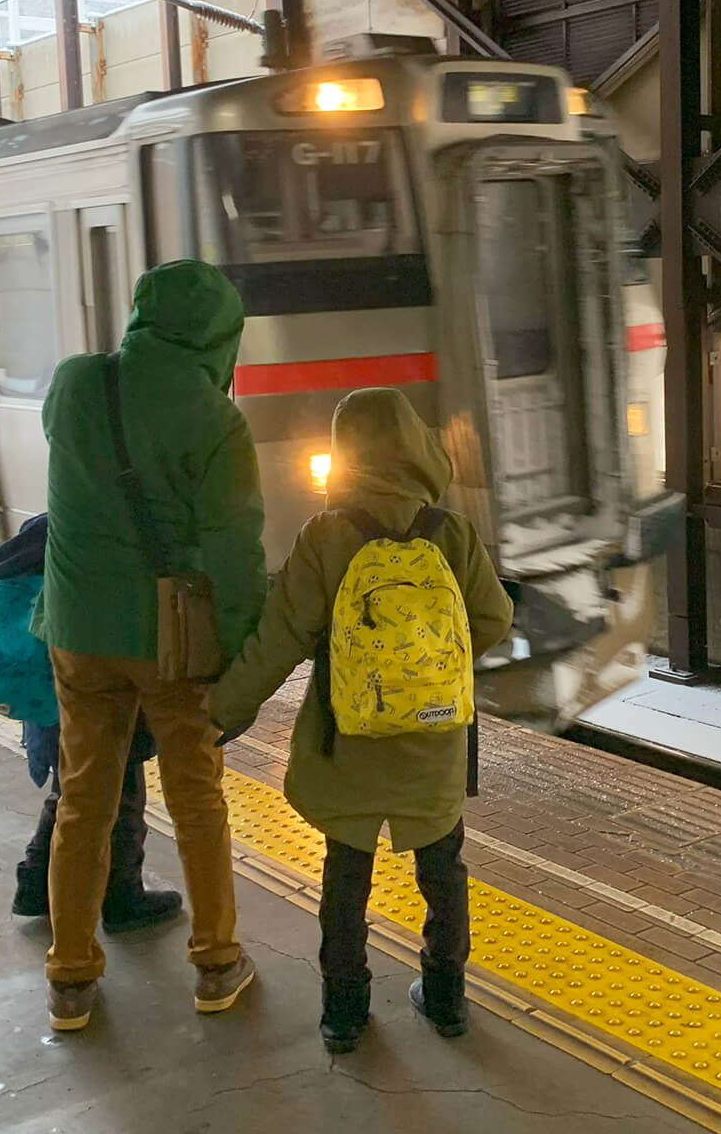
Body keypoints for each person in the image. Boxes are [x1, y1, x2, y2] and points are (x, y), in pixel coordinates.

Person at [210, 388, 513, 1055]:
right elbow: (493, 619)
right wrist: (432, 665)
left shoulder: (327, 536)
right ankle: (446, 1000)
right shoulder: (450, 532)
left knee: (347, 872)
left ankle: (343, 1013)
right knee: (444, 868)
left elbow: (277, 639)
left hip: (346, 742)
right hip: (433, 742)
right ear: (416, 447)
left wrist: (221, 714)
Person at [34, 260, 268, 1032]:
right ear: (221, 337)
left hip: (75, 630)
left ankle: (70, 978)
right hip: (168, 638)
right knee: (196, 795)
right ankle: (215, 961)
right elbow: (235, 555)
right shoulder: (215, 419)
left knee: (84, 796)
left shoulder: (74, 384)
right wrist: (236, 666)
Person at [0, 512, 183, 933]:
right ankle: (123, 896)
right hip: (91, 690)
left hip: (45, 694)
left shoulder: (39, 532)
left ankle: (35, 884)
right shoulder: (108, 533)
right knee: (120, 794)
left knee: (69, 788)